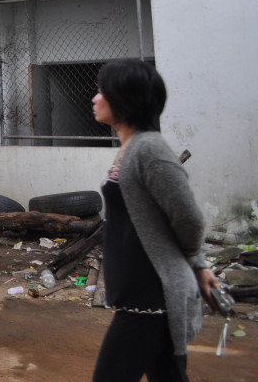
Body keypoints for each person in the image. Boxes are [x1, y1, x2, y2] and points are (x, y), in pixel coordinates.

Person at [90, 59, 218, 382]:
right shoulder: (131, 148)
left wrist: (195, 261)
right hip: (141, 294)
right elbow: (160, 221)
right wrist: (198, 264)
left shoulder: (150, 149)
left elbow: (189, 218)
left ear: (124, 98)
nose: (94, 98)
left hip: (150, 296)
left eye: (102, 92)